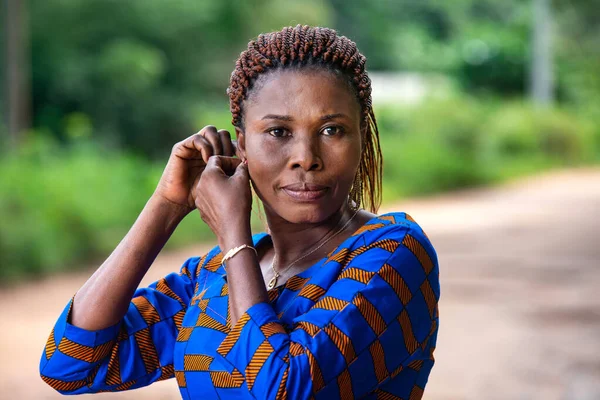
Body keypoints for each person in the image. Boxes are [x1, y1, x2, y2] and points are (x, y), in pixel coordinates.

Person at [40, 25, 439, 399]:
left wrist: (233, 235)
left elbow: (279, 387)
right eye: (279, 132)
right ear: (243, 147)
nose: (305, 158)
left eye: (332, 130)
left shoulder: (393, 254)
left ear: (362, 141)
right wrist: (166, 204)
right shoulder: (213, 276)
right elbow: (70, 363)